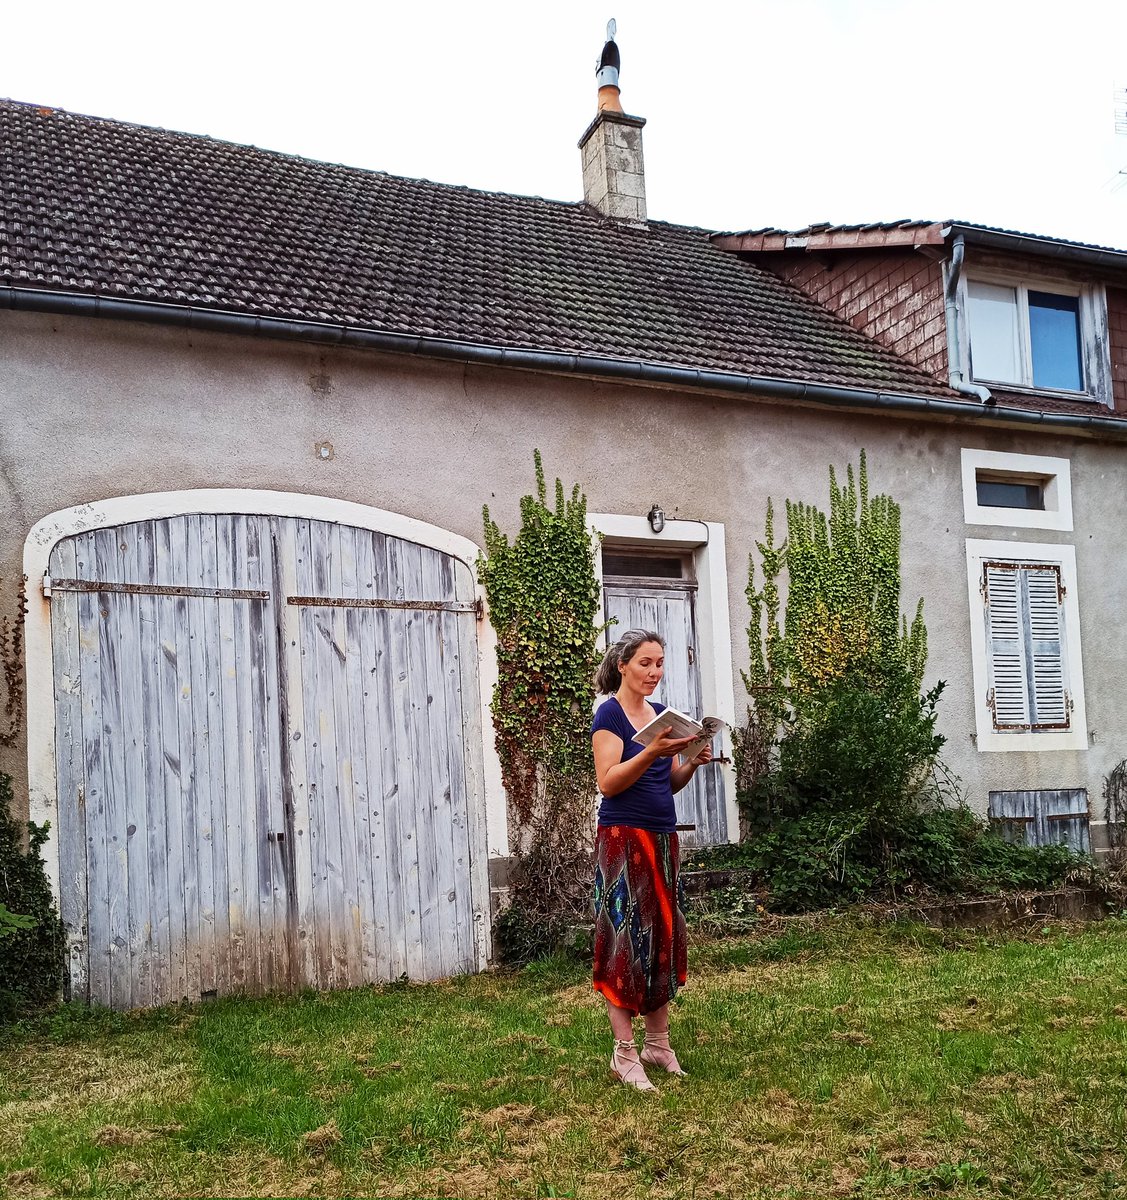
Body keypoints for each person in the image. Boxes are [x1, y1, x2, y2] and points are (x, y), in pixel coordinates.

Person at [590, 629, 713, 1092]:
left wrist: (687, 764)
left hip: (662, 838)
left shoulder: (662, 717)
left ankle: (657, 1044)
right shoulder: (609, 716)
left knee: (663, 933)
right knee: (624, 938)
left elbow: (666, 784)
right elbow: (610, 782)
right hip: (622, 840)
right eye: (645, 663)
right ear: (623, 665)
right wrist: (651, 751)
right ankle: (623, 1054)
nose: (655, 672)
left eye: (660, 663)